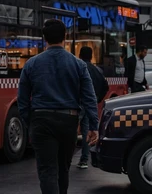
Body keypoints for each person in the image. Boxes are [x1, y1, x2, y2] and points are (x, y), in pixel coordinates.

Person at [18, 19, 99, 194]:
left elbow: (22, 101)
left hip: (41, 119)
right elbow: (89, 98)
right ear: (65, 37)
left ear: (44, 38)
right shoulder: (78, 64)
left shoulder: (31, 64)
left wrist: (30, 123)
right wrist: (93, 126)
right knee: (63, 168)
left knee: (47, 170)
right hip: (68, 120)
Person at [77, 46, 109, 169]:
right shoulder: (98, 70)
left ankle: (65, 159)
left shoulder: (79, 67)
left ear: (80, 55)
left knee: (72, 128)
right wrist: (97, 99)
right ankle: (84, 160)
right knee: (86, 132)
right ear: (91, 56)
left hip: (79, 103)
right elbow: (105, 86)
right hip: (91, 103)